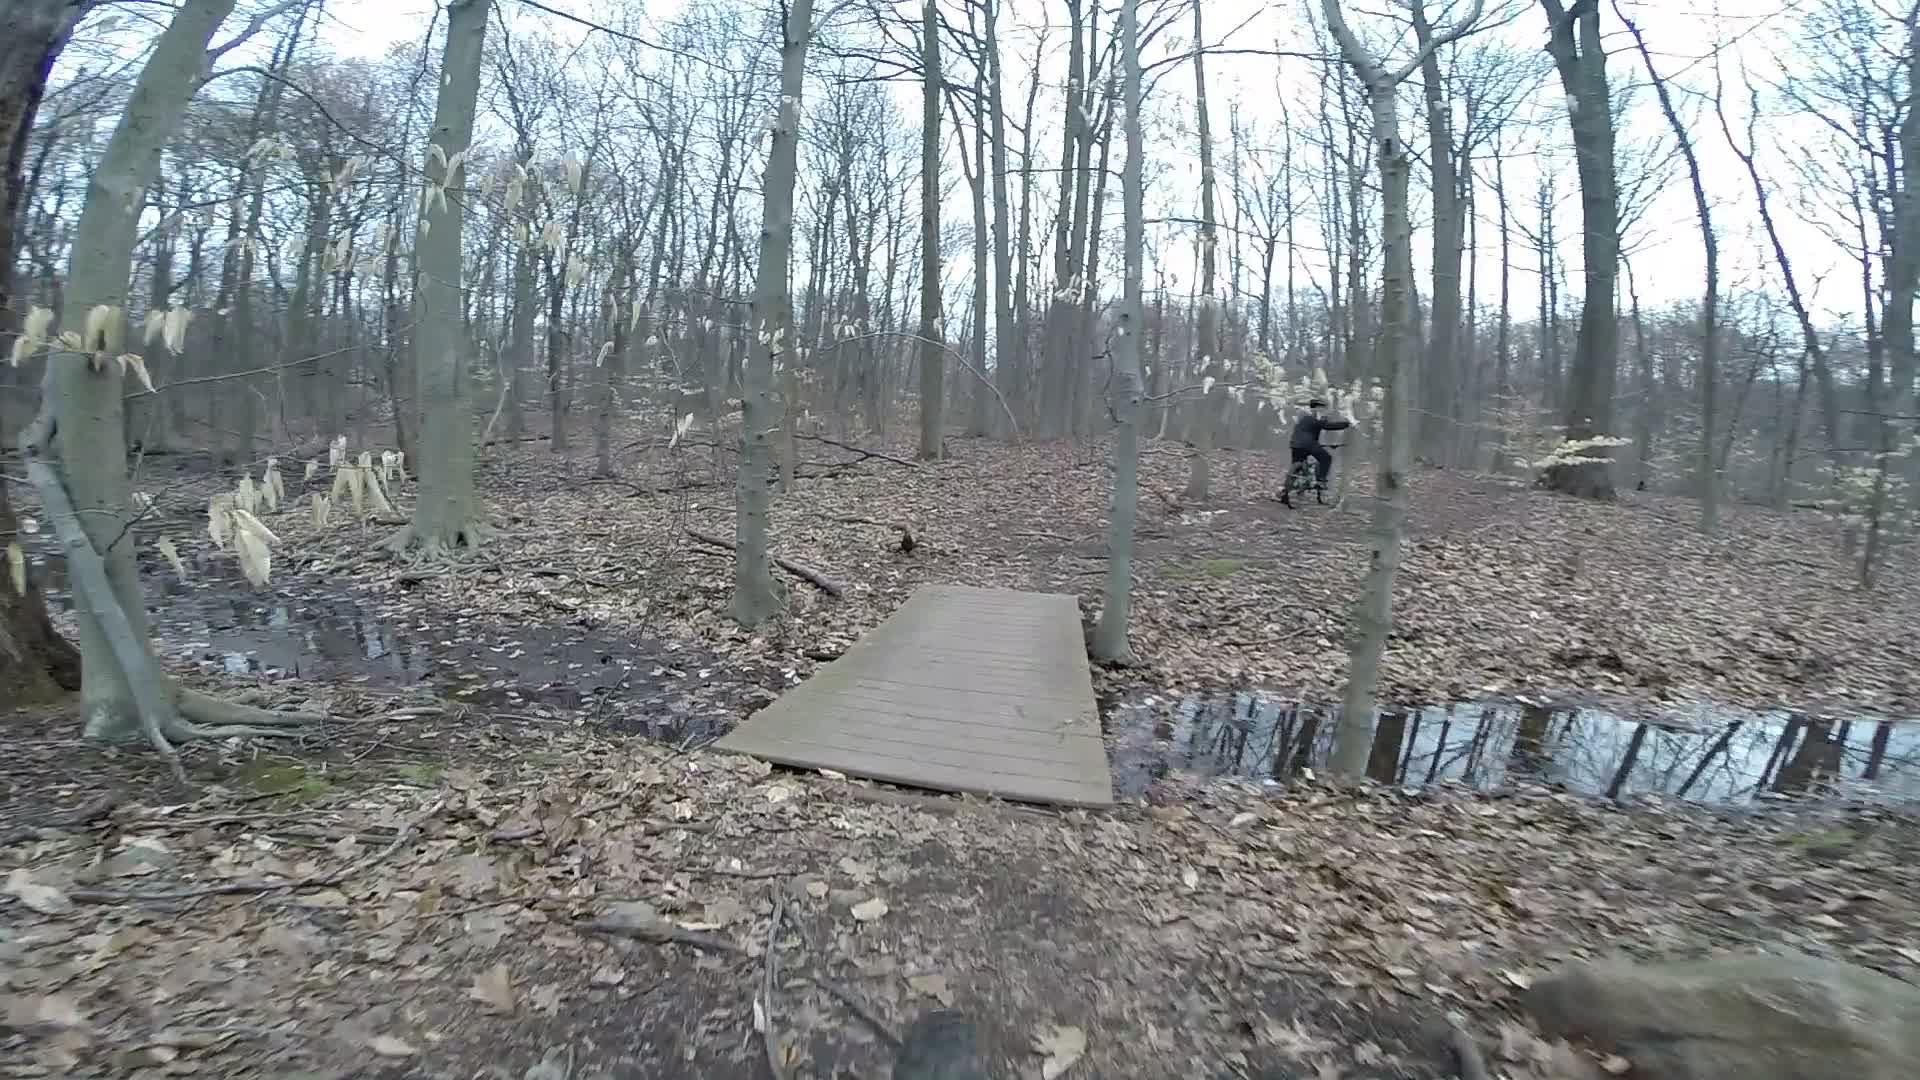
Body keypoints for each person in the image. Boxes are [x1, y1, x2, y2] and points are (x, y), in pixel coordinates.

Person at [1288, 398, 1351, 489]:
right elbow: (1327, 426)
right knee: (1326, 458)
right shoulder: (1316, 417)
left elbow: (1311, 430)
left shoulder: (1303, 418)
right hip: (1308, 444)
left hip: (1295, 444)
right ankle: (1321, 481)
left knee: (1297, 466)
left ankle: (1287, 489)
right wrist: (1346, 424)